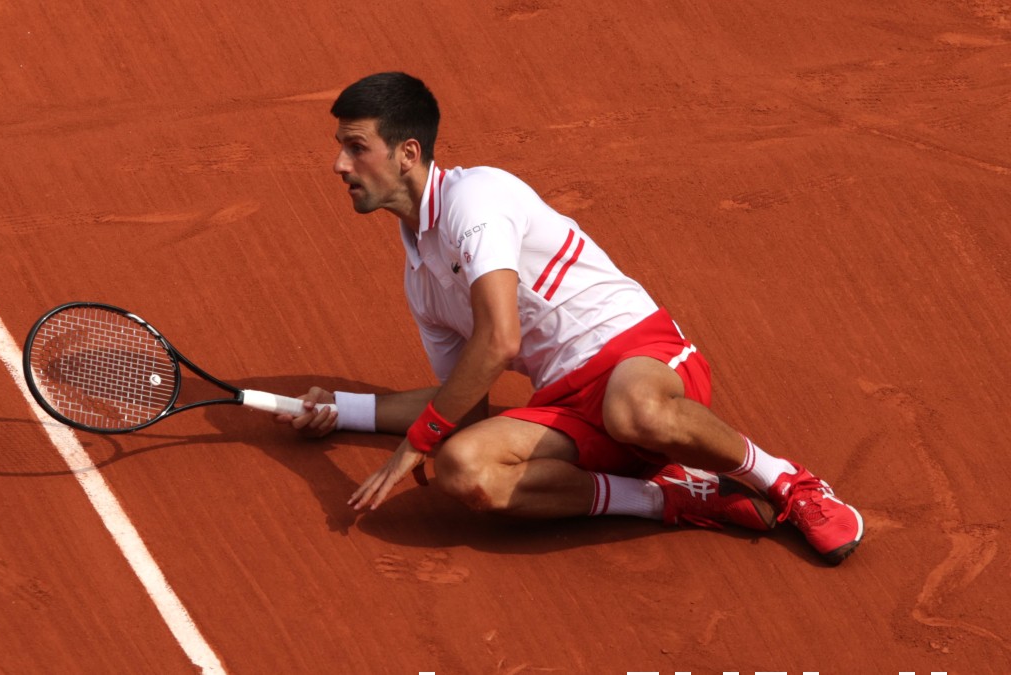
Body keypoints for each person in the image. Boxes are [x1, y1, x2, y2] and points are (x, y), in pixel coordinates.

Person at [277, 71, 863, 565]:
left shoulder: (473, 200)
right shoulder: (421, 279)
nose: (339, 164)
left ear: (407, 153)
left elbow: (501, 340)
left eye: (356, 146)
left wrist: (413, 443)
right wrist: (343, 410)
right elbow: (465, 402)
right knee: (463, 467)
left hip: (640, 358)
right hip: (568, 405)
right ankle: (670, 497)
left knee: (630, 409)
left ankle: (785, 480)